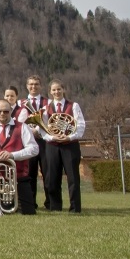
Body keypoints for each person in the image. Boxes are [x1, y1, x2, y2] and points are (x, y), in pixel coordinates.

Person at [0, 101, 39, 214]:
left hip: (18, 177)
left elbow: (34, 149)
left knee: (28, 212)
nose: (2, 114)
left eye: (6, 111)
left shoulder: (22, 127)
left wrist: (13, 155)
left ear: (11, 112)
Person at [42, 80, 86, 213]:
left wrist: (69, 137)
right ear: (50, 92)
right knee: (52, 178)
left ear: (64, 89)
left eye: (59, 89)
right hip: (52, 146)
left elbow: (81, 125)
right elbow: (42, 129)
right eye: (54, 90)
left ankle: (75, 208)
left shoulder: (74, 106)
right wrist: (52, 137)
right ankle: (55, 207)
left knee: (73, 178)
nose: (56, 92)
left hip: (70, 146)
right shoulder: (45, 108)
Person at [22, 75, 49, 209]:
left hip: (45, 141)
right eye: (31, 84)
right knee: (30, 173)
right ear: (27, 86)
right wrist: (30, 131)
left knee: (48, 173)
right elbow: (19, 122)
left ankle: (50, 203)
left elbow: (50, 120)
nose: (34, 86)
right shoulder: (21, 103)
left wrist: (39, 129)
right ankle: (31, 203)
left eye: (36, 84)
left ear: (41, 86)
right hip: (28, 142)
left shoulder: (48, 102)